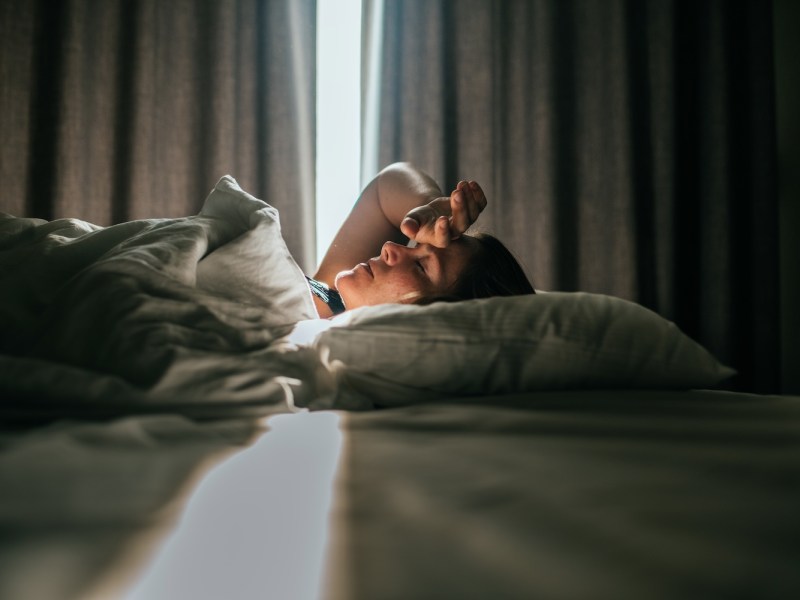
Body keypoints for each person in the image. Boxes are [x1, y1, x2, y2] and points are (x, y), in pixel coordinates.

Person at [308, 162, 535, 318]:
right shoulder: (328, 299)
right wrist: (429, 209)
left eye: (420, 267)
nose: (389, 247)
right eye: (416, 246)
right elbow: (387, 182)